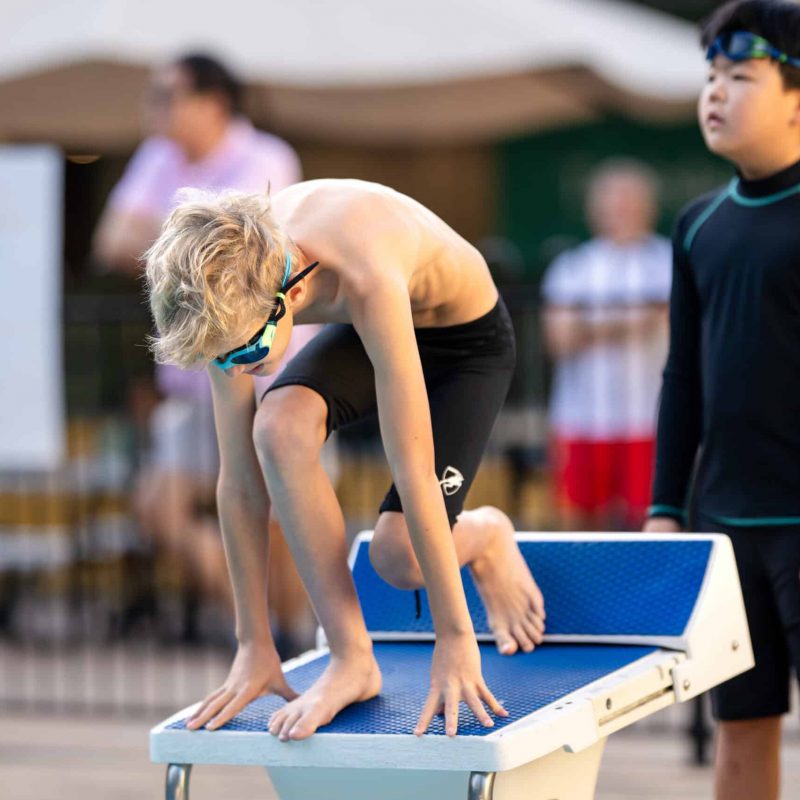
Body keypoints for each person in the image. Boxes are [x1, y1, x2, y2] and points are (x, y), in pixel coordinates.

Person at [144, 178, 547, 740]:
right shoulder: (226, 291)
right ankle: (352, 658)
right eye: (218, 359)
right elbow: (238, 482)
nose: (234, 370)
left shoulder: (365, 270)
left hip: (464, 344)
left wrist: (454, 639)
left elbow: (412, 465)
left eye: (246, 352)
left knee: (398, 559)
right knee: (278, 430)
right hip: (371, 331)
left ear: (294, 291)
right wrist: (252, 644)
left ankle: (485, 535)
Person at [91, 53, 309, 645]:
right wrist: (193, 238)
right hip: (194, 380)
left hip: (268, 370)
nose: (153, 109)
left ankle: (286, 634)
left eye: (166, 96)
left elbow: (243, 254)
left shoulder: (266, 155)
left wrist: (175, 240)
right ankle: (261, 626)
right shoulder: (160, 155)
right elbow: (111, 242)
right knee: (159, 506)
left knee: (280, 512)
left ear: (212, 103)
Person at [643, 3, 800, 799]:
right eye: (710, 76)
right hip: (727, 525)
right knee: (741, 730)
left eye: (740, 75)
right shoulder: (698, 224)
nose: (716, 92)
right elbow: (683, 379)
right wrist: (666, 507)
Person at [542, 160, 671, 530]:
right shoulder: (574, 266)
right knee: (580, 524)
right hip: (581, 418)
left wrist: (592, 323)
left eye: (631, 201)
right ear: (594, 209)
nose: (622, 210)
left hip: (650, 418)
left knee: (652, 522)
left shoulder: (669, 261)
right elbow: (560, 339)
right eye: (613, 201)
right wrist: (638, 319)